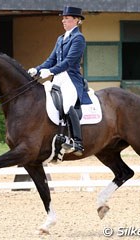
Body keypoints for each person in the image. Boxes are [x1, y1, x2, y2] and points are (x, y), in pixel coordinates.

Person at [28, 6, 91, 156]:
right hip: (58, 78)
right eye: (63, 18)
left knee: (67, 104)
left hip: (71, 78)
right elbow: (51, 60)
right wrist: (37, 69)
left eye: (67, 18)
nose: (63, 20)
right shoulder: (61, 38)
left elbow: (68, 62)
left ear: (77, 20)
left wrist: (50, 71)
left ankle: (77, 142)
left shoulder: (79, 38)